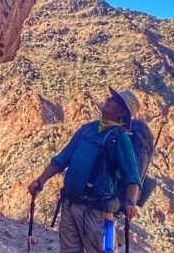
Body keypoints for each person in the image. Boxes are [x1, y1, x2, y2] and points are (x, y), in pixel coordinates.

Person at [28, 87, 142, 253]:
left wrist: (131, 202)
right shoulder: (87, 129)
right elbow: (62, 159)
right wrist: (41, 180)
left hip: (97, 212)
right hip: (70, 203)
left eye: (115, 100)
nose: (109, 100)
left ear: (123, 113)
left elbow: (132, 176)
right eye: (111, 97)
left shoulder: (120, 138)